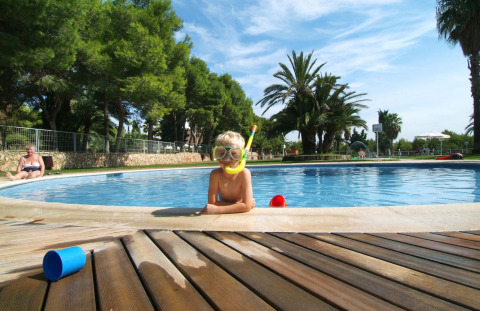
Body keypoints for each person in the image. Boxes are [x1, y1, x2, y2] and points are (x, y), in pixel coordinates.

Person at [203, 131, 256, 214]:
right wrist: (240, 205)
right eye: (221, 153)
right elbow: (212, 203)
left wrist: (218, 209)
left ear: (242, 156)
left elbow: (246, 206)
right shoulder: (215, 175)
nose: (227, 159)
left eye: (234, 154)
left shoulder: (244, 173)